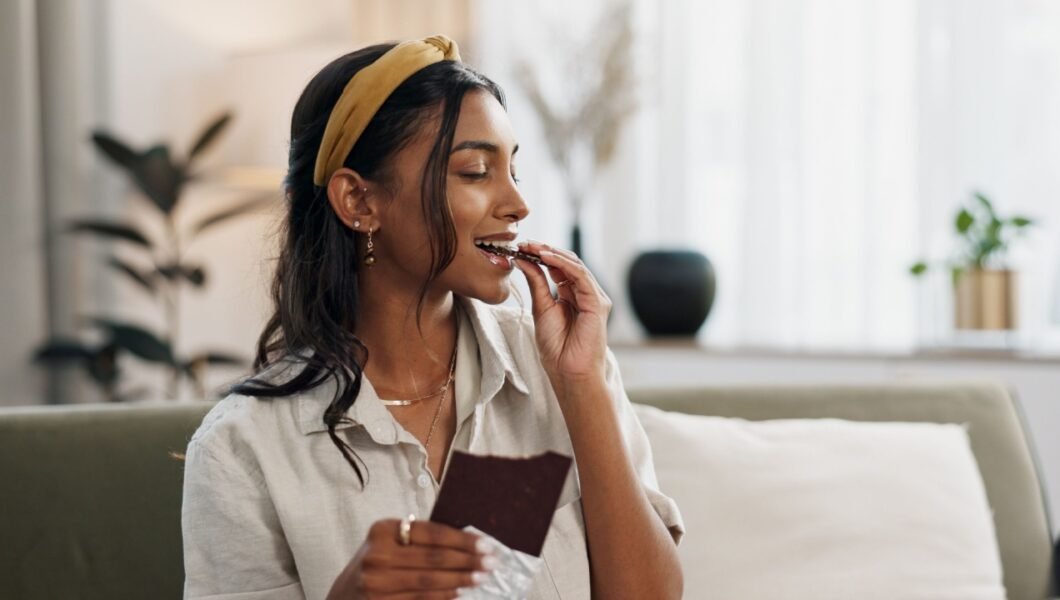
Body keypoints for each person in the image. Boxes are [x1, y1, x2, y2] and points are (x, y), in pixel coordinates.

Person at [181, 35, 684, 600]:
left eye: (513, 170)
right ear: (360, 203)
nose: (517, 203)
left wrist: (582, 387)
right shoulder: (242, 447)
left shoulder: (563, 367)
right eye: (475, 172)